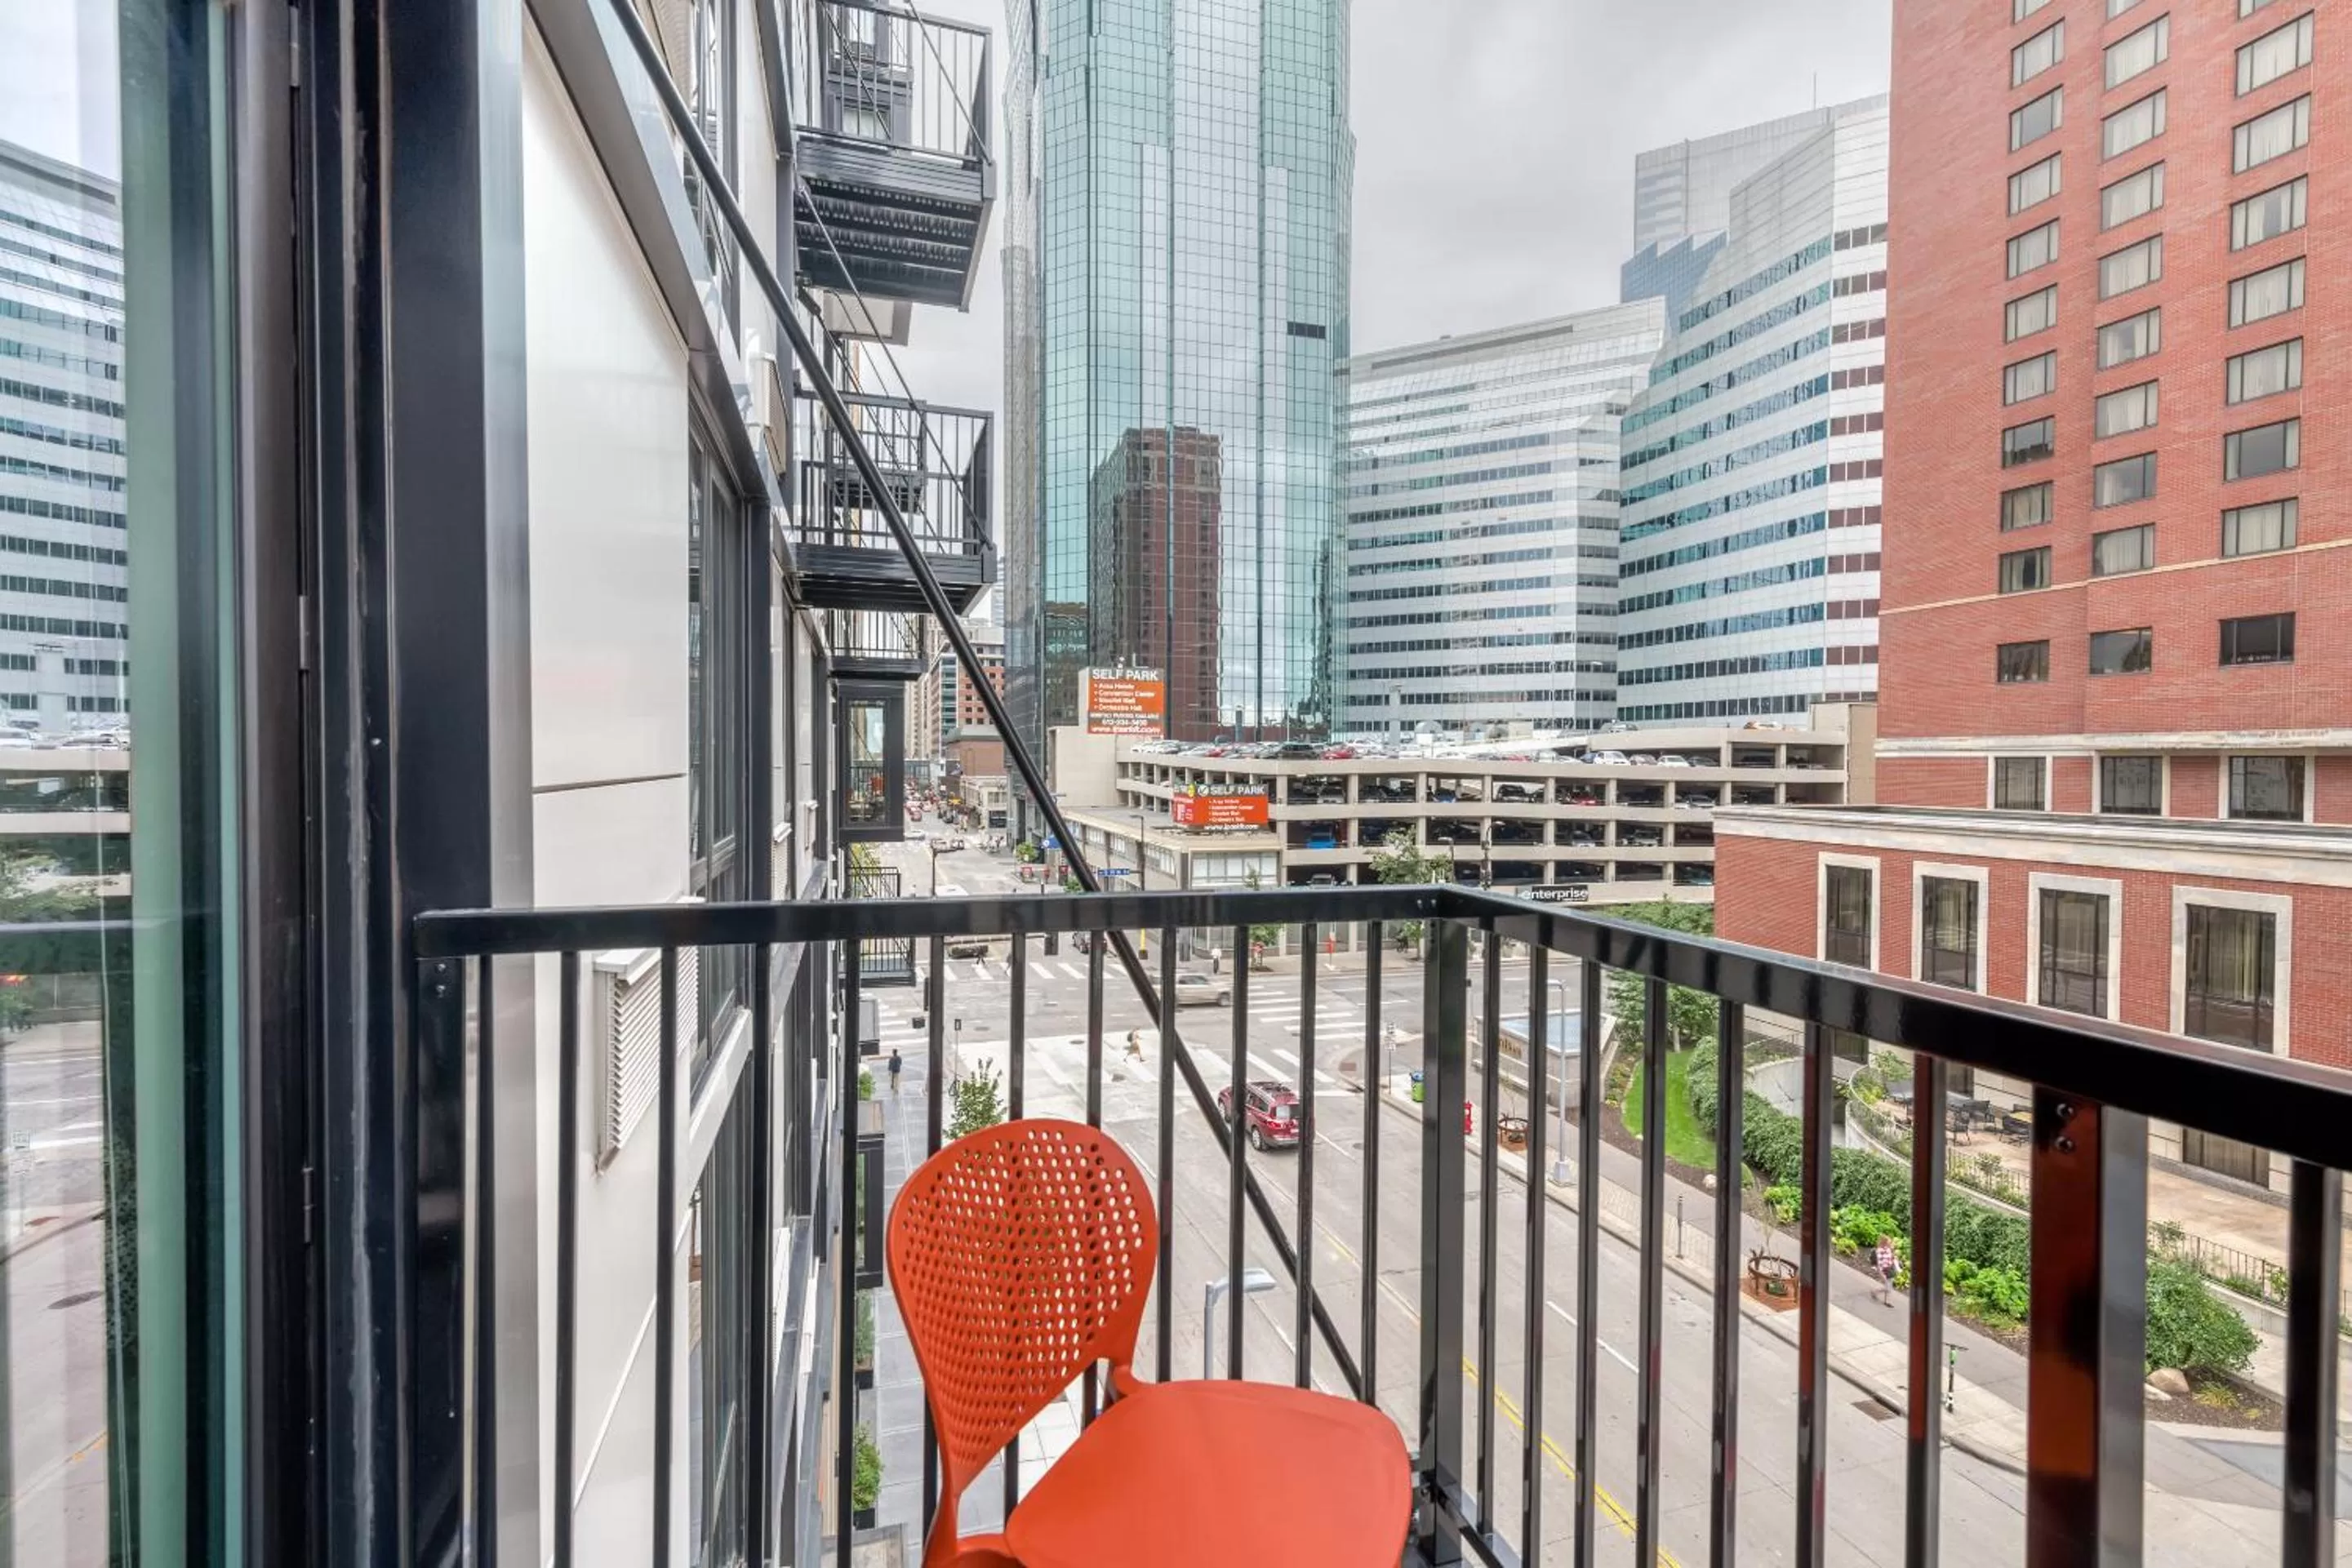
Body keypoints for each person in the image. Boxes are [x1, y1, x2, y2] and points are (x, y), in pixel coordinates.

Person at [1873, 1234, 1897, 1305]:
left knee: (1889, 1286)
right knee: (1888, 1287)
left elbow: (1891, 1258)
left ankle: (1887, 1301)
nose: (1890, 1243)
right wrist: (1881, 1273)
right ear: (1884, 1242)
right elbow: (1879, 1263)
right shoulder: (1879, 1250)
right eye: (1889, 1242)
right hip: (1884, 1269)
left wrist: (1893, 1256)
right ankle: (1875, 1292)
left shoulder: (1888, 1249)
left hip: (1890, 1268)